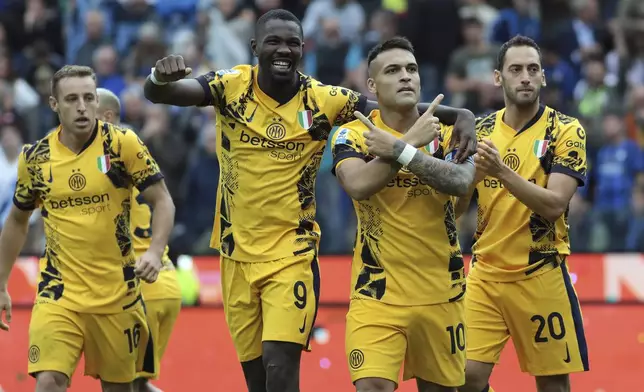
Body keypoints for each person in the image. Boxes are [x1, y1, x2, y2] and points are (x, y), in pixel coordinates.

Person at [143, 9, 477, 392]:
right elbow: (165, 93)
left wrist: (460, 114)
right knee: (257, 379)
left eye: (292, 43)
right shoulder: (229, 86)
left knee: (280, 365)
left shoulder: (324, 99)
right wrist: (158, 79)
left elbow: (391, 106)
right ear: (255, 47)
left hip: (293, 251)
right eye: (273, 42)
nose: (283, 50)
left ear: (304, 48)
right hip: (236, 253)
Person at [0, 65, 175, 392]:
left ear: (96, 101)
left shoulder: (123, 145)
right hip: (59, 294)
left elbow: (163, 201)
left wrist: (154, 250)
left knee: (119, 388)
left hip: (117, 296)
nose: (81, 106)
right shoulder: (35, 158)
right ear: (54, 104)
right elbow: (17, 220)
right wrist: (0, 283)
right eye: (71, 99)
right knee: (48, 382)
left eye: (88, 97)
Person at [330, 37, 475, 392]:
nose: (406, 77)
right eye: (393, 70)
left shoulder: (449, 133)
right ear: (372, 85)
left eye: (411, 69)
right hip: (377, 292)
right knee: (372, 387)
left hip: (442, 291)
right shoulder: (353, 134)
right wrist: (409, 142)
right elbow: (359, 185)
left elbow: (460, 182)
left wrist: (401, 147)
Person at [455, 35, 589, 392]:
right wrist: (470, 182)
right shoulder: (480, 132)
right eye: (515, 69)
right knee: (464, 378)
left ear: (544, 77)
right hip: (485, 274)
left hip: (541, 273)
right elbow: (452, 210)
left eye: (533, 69)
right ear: (498, 77)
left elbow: (554, 204)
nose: (526, 77)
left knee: (553, 386)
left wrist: (500, 172)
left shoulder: (565, 130)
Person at [96, 88, 182, 392]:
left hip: (138, 285)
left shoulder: (109, 155)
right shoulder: (141, 158)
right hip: (165, 281)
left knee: (124, 384)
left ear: (106, 116)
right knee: (137, 383)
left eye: (86, 103)